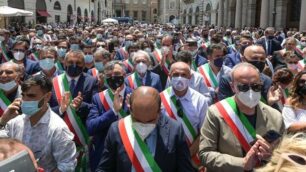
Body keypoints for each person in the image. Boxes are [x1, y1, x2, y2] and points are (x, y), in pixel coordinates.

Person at [199, 62, 284, 172]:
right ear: (232, 87)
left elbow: (284, 153)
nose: (250, 91)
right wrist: (242, 163)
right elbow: (205, 154)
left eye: (255, 86)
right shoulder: (216, 112)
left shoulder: (275, 116)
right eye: (243, 87)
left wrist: (271, 155)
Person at [96, 86, 194, 172]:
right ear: (130, 109)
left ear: (159, 111)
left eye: (150, 121)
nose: (143, 125)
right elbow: (104, 168)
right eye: (137, 120)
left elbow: (185, 169)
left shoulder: (175, 130)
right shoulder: (116, 129)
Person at [0, 74, 77, 171]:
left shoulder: (57, 129)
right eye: (23, 95)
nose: (25, 100)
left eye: (31, 96)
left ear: (47, 97)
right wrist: (2, 120)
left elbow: (67, 165)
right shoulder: (15, 122)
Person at [161, 62, 209, 170]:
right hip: (166, 157)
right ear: (169, 76)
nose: (179, 78)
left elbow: (204, 132)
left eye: (184, 75)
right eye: (176, 74)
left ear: (190, 77)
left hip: (191, 157)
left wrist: (188, 153)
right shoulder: (160, 99)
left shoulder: (200, 100)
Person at [86, 60, 133, 171]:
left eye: (116, 74)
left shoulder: (135, 95)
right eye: (109, 75)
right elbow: (91, 127)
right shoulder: (98, 98)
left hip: (131, 151)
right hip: (105, 154)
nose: (113, 78)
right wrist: (113, 111)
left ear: (124, 75)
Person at [50, 50, 98, 124]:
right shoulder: (54, 82)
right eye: (70, 62)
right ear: (64, 63)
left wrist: (80, 105)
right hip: (58, 125)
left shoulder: (92, 81)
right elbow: (46, 109)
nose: (74, 65)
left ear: (84, 65)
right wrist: (60, 109)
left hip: (80, 128)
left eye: (78, 63)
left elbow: (95, 108)